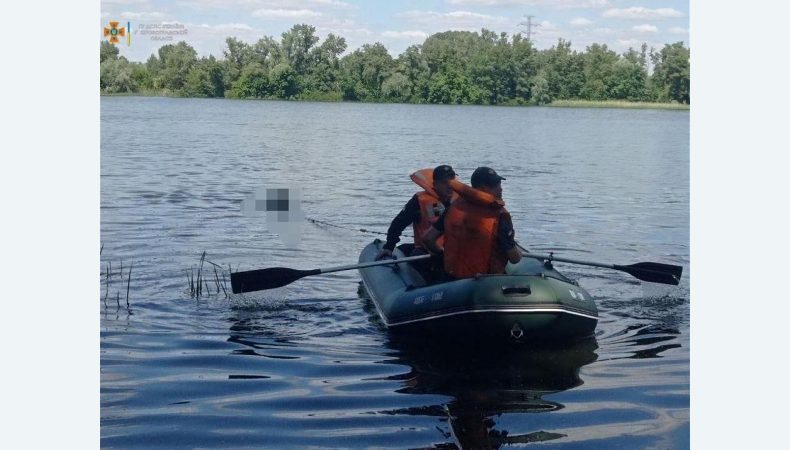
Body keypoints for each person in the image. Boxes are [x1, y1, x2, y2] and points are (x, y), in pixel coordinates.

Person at [423, 166, 522, 279]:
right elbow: (514, 258)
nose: (500, 189)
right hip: (484, 282)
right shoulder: (499, 215)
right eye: (495, 185)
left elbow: (428, 238)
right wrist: (519, 254)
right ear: (482, 188)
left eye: (499, 184)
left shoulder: (454, 206)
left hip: (451, 278)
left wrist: (443, 254)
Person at [375, 165, 456, 280]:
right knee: (411, 254)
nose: (449, 186)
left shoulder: (460, 202)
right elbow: (398, 223)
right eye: (444, 182)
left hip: (453, 253)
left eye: (452, 183)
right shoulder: (419, 201)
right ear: (435, 184)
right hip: (427, 252)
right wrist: (389, 246)